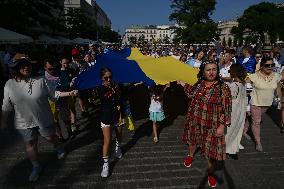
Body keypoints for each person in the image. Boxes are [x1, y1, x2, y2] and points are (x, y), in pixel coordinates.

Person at [0, 54, 76, 182]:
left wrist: (69, 93)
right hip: (23, 122)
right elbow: (6, 105)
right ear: (16, 67)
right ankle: (36, 166)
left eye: (28, 64)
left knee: (50, 137)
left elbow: (54, 95)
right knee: (30, 143)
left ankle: (58, 147)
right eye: (22, 65)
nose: (26, 67)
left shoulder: (40, 80)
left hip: (43, 118)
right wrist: (2, 121)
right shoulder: (9, 84)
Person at [178, 60, 232, 188]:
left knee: (211, 151)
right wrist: (182, 83)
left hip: (212, 124)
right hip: (195, 119)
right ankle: (190, 155)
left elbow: (227, 108)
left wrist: (222, 125)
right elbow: (190, 93)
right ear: (203, 72)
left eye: (214, 69)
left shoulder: (222, 88)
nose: (211, 72)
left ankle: (211, 173)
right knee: (192, 141)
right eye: (208, 69)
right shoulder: (199, 84)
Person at [246, 57, 282, 151]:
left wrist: (279, 99)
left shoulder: (276, 76)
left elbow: (278, 88)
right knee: (256, 122)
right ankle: (258, 143)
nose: (270, 67)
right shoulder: (254, 76)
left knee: (252, 118)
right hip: (256, 102)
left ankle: (244, 130)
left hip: (267, 104)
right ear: (261, 66)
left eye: (272, 65)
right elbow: (244, 85)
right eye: (267, 65)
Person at [98, 68, 123, 178]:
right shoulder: (100, 88)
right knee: (107, 141)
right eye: (106, 78)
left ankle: (118, 148)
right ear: (102, 78)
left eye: (110, 77)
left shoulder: (116, 86)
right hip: (106, 117)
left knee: (119, 135)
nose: (109, 79)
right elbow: (106, 98)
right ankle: (106, 164)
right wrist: (114, 90)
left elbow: (121, 98)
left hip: (117, 115)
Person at [225, 64, 247, 159]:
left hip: (233, 110)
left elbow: (229, 98)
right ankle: (232, 148)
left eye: (230, 71)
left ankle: (226, 148)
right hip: (241, 110)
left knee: (228, 130)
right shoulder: (243, 84)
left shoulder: (234, 85)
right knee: (236, 129)